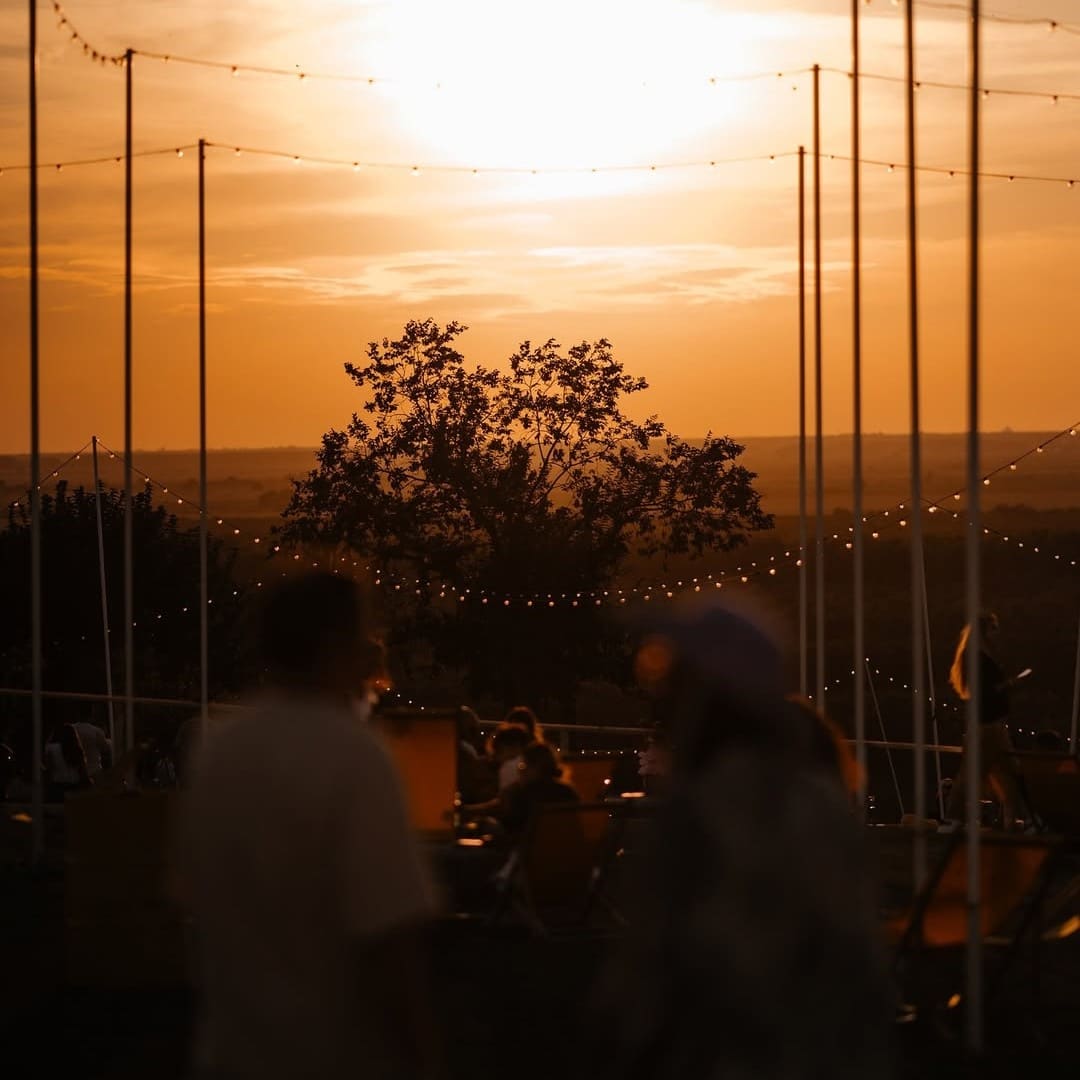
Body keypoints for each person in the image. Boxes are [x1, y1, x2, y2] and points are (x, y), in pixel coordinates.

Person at [597, 598, 892, 1080]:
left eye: (673, 678)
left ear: (710, 695)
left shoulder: (708, 807)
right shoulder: (820, 799)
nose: (662, 695)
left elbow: (673, 969)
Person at [172, 572, 441, 1080]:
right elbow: (390, 940)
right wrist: (420, 1059)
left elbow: (193, 901)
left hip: (231, 1051)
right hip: (331, 1053)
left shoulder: (218, 751)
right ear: (337, 644)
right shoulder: (356, 757)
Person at [945, 611, 1027, 828]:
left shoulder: (978, 656)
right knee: (973, 775)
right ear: (985, 630)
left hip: (992, 724)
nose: (997, 633)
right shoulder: (977, 658)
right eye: (994, 628)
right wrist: (1008, 685)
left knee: (1010, 775)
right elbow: (984, 691)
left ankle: (1010, 821)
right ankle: (952, 820)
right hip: (986, 725)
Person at [495, 741, 579, 840]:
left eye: (523, 765)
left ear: (535, 767)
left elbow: (509, 828)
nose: (520, 770)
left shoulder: (523, 793)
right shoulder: (568, 791)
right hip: (565, 846)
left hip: (529, 847)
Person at [43, 722, 92, 800]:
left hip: (57, 786)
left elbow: (49, 768)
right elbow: (83, 770)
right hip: (75, 786)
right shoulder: (75, 748)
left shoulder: (50, 748)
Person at [72, 715, 112, 782]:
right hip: (95, 770)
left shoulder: (71, 729)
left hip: (76, 773)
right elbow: (105, 749)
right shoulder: (96, 731)